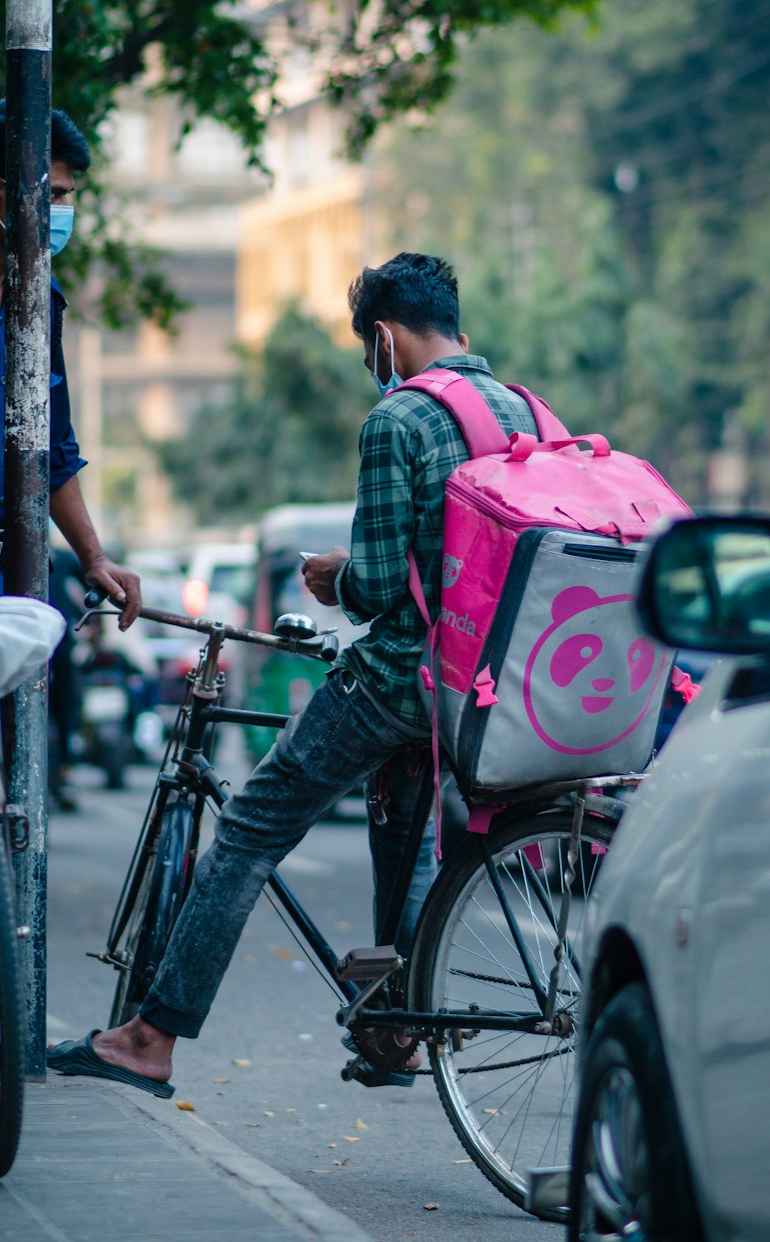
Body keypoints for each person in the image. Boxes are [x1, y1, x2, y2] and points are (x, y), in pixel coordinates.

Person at [48, 251, 542, 1098]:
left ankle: (150, 1039)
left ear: (383, 338)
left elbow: (382, 589)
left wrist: (330, 577)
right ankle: (396, 1030)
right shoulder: (522, 409)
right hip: (477, 682)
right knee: (406, 842)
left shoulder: (400, 420)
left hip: (398, 676)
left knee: (247, 832)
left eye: (366, 352)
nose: (370, 369)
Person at [0, 102, 140, 630]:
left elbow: (52, 450)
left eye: (66, 197)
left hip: (16, 569)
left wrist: (94, 557)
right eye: (53, 194)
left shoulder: (42, 298)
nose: (62, 209)